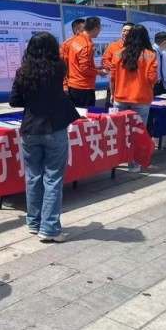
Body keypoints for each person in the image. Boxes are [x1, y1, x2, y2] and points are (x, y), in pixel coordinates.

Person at [10, 32, 79, 243]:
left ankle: (33, 222)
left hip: (30, 128)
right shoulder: (58, 68)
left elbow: (14, 100)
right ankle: (49, 228)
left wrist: (32, 100)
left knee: (33, 176)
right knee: (53, 178)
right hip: (54, 127)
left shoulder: (23, 71)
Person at [111, 25, 158, 172]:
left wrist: (113, 93)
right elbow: (152, 78)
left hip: (120, 97)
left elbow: (112, 77)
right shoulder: (150, 55)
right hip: (141, 99)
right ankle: (134, 164)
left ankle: (116, 162)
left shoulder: (118, 53)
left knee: (119, 132)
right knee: (137, 133)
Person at [65, 16, 102, 107]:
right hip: (84, 87)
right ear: (96, 28)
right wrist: (100, 72)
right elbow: (84, 69)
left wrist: (96, 68)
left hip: (73, 85)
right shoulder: (87, 45)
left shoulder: (75, 40)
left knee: (76, 113)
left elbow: (78, 63)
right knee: (86, 114)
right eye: (100, 29)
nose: (100, 31)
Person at [102, 22, 134, 107]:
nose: (125, 33)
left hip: (132, 86)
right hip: (115, 84)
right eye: (124, 30)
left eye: (128, 31)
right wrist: (116, 68)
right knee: (111, 110)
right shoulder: (113, 46)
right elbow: (105, 60)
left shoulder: (136, 48)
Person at [61, 18, 86, 90]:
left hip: (87, 84)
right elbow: (63, 66)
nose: (87, 32)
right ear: (76, 30)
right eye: (84, 29)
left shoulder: (88, 43)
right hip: (74, 85)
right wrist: (65, 85)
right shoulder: (67, 45)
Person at [152, 32, 166, 96]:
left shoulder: (163, 53)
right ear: (164, 42)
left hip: (160, 84)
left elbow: (164, 70)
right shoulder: (151, 52)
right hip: (152, 85)